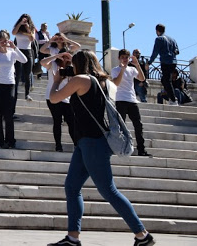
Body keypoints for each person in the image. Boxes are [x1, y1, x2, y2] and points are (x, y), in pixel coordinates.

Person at [48, 50, 155, 246]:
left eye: (73, 63)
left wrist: (56, 79)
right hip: (87, 142)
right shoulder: (105, 82)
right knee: (72, 187)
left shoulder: (81, 79)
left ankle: (142, 234)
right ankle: (73, 237)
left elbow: (54, 98)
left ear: (79, 64)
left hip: (92, 142)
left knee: (109, 190)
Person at [39, 33, 81, 152]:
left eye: (66, 56)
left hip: (67, 98)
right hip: (52, 96)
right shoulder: (53, 64)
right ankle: (58, 145)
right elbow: (42, 62)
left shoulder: (72, 67)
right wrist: (57, 56)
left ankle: (77, 145)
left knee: (71, 122)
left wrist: (70, 58)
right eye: (63, 56)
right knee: (57, 121)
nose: (64, 59)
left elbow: (78, 47)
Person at [0, 30, 27, 149]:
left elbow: (24, 60)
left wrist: (15, 48)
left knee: (9, 114)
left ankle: (10, 141)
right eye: (1, 41)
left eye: (5, 40)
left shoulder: (12, 52)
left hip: (10, 84)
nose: (4, 43)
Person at [111, 49, 152, 157]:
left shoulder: (132, 69)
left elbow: (142, 78)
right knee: (121, 125)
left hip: (132, 100)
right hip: (120, 100)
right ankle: (121, 148)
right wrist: (122, 70)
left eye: (126, 57)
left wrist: (137, 65)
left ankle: (141, 149)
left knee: (138, 125)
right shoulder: (115, 70)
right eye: (123, 57)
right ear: (119, 58)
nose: (125, 59)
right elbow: (116, 83)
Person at [147, 23, 179, 106]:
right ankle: (170, 96)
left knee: (167, 81)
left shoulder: (159, 39)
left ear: (157, 31)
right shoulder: (172, 39)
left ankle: (173, 99)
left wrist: (149, 62)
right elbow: (177, 51)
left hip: (165, 62)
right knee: (164, 80)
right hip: (173, 62)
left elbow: (155, 52)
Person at [12, 13, 36, 102]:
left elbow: (32, 39)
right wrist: (20, 24)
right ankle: (15, 92)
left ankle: (27, 94)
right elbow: (13, 32)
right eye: (23, 19)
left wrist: (27, 28)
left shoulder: (31, 28)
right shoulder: (18, 28)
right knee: (17, 74)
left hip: (28, 51)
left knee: (27, 74)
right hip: (18, 51)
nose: (24, 20)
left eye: (26, 19)